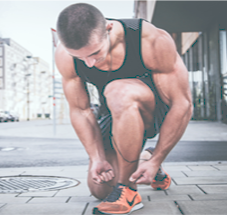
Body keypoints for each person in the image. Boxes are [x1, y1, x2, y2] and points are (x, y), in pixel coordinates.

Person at [55, 3, 193, 215]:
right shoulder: (65, 55)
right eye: (80, 58)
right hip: (115, 114)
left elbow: (182, 103)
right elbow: (80, 110)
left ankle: (128, 191)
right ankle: (142, 161)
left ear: (109, 29)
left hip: (154, 110)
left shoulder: (149, 39)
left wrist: (159, 158)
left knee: (118, 90)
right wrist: (96, 158)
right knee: (100, 188)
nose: (89, 64)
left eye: (95, 53)